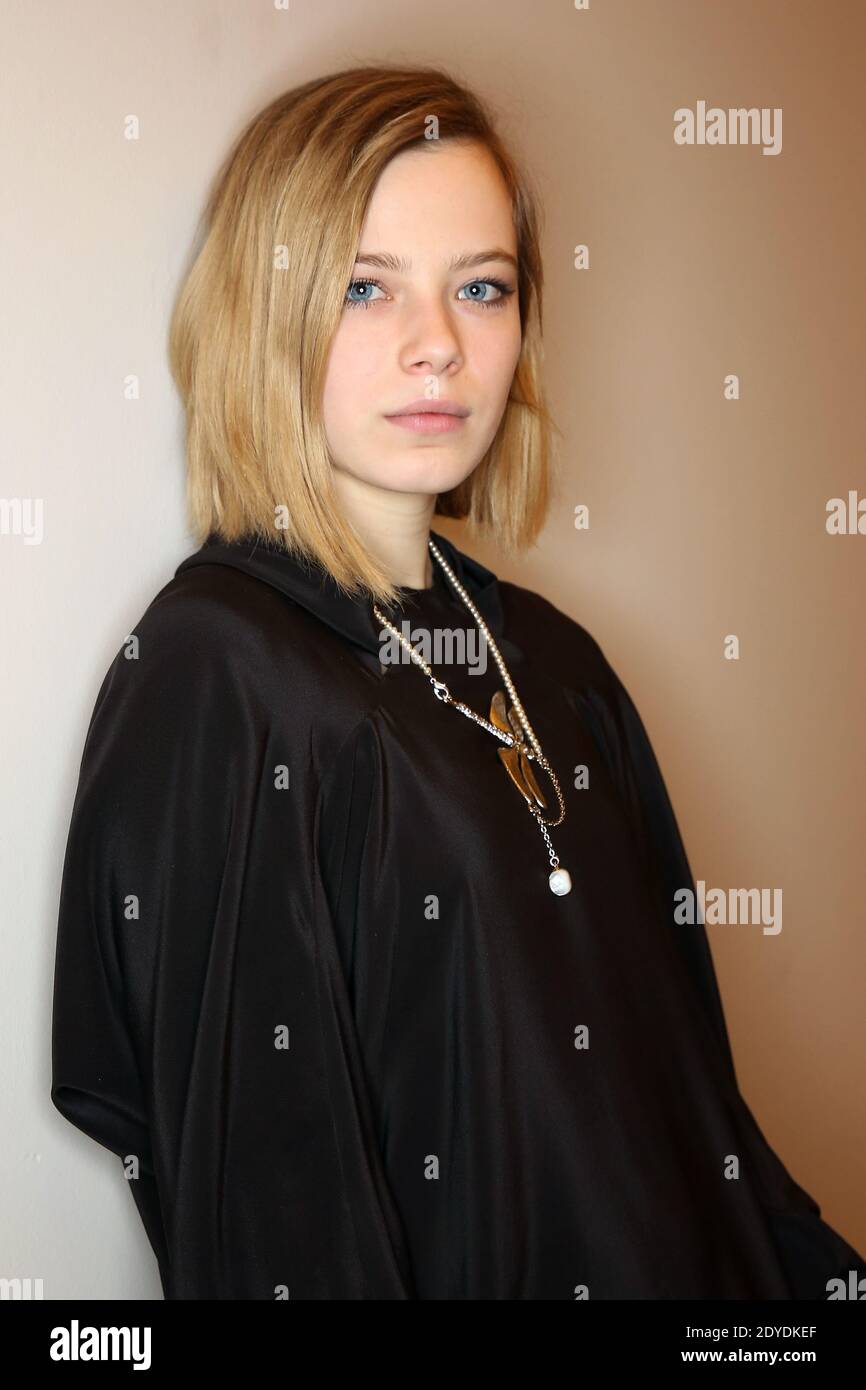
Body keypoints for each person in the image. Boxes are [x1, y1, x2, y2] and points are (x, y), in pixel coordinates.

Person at [50, 63, 865, 1300]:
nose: (438, 345)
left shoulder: (555, 659)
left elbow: (695, 1118)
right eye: (366, 288)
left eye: (480, 287)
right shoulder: (217, 672)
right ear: (264, 313)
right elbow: (274, 1224)